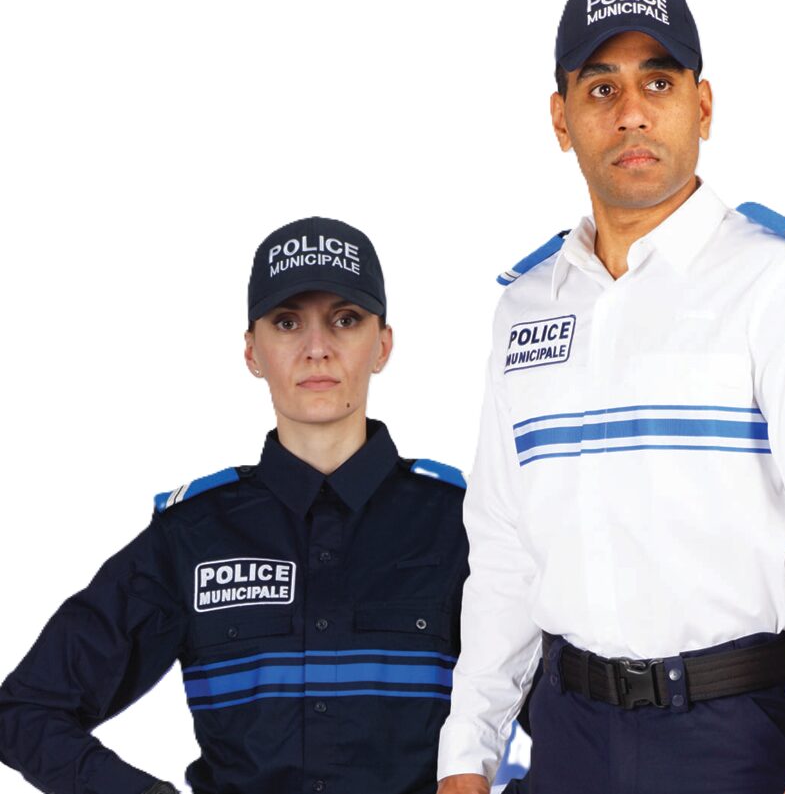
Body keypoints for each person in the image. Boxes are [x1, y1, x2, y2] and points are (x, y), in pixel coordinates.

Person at [436, 0, 785, 793]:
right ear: (560, 120)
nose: (631, 113)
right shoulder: (526, 306)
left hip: (731, 735)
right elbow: (505, 548)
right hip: (567, 734)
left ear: (703, 106)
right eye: (600, 89)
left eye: (657, 82)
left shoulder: (782, 282)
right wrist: (465, 750)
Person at [0, 217, 470, 794]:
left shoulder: (464, 525)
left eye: (345, 320)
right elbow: (27, 710)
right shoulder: (193, 536)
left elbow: (561, 718)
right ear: (252, 352)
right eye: (287, 322)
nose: (317, 349)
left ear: (383, 346)